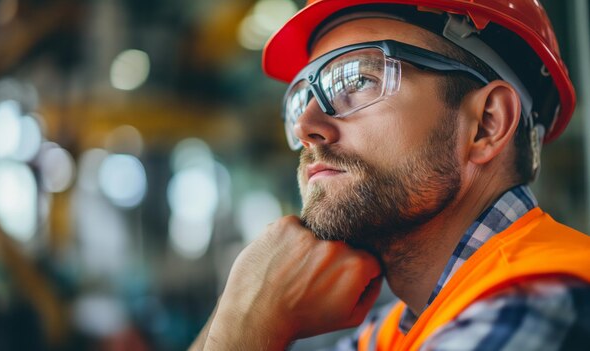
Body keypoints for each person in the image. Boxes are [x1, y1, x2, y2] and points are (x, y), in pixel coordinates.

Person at [191, 1, 590, 350]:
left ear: (486, 124)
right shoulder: (400, 329)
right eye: (302, 97)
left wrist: (253, 318)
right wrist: (240, 301)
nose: (306, 126)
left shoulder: (539, 302)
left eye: (357, 79)